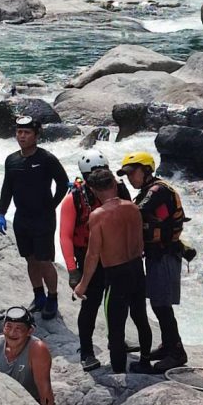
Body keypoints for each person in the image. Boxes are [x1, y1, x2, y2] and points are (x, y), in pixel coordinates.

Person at [74, 168, 153, 374]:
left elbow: (93, 254)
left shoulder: (98, 215)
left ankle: (118, 373)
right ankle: (145, 362)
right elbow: (140, 241)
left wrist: (82, 284)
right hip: (137, 269)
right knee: (141, 318)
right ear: (114, 185)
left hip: (116, 276)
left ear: (93, 190)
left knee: (116, 327)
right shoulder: (133, 207)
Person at [60, 149, 132, 372]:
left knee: (118, 302)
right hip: (88, 255)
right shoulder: (74, 199)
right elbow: (65, 235)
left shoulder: (119, 190)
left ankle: (116, 340)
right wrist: (72, 270)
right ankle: (87, 351)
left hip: (115, 255)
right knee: (91, 304)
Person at [116, 152, 187, 372]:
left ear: (146, 170)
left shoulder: (158, 191)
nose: (130, 178)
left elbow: (136, 212)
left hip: (165, 254)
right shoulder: (148, 191)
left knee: (161, 305)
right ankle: (167, 345)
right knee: (159, 303)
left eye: (132, 173)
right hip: (158, 254)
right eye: (127, 175)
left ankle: (177, 352)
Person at [0, 116, 69, 320]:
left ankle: (52, 297)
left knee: (44, 260)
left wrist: (52, 205)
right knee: (30, 258)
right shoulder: (11, 160)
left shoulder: (47, 158)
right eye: (19, 132)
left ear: (36, 136)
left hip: (43, 218)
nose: (22, 136)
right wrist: (1, 213)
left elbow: (63, 183)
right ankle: (39, 296)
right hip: (22, 217)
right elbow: (7, 187)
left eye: (27, 132)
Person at [0, 306, 55, 405]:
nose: (12, 333)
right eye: (8, 327)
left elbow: (45, 391)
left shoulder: (38, 350)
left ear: (30, 331)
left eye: (18, 328)